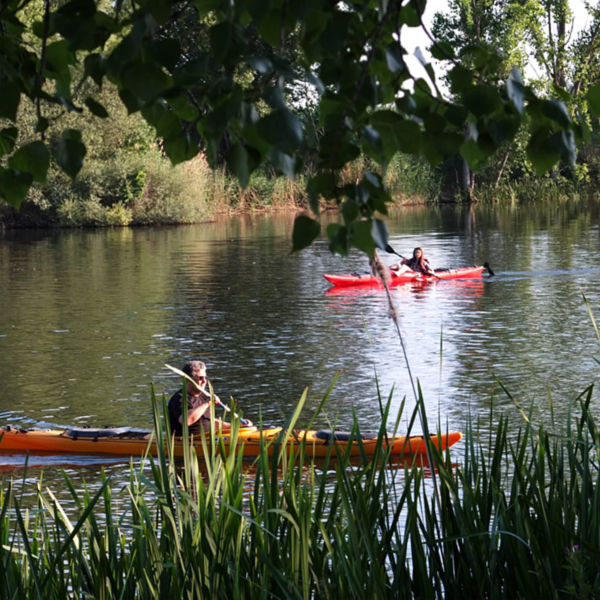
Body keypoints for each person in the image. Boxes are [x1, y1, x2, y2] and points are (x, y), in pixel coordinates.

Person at [168, 360, 231, 436]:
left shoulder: (203, 398)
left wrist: (236, 425)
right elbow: (186, 421)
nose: (204, 381)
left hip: (209, 437)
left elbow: (209, 421)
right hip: (190, 441)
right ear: (188, 379)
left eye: (205, 377)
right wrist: (207, 403)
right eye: (200, 378)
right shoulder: (180, 398)